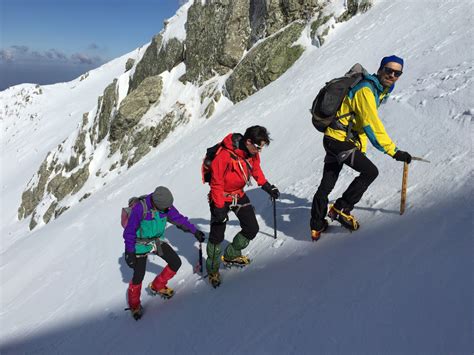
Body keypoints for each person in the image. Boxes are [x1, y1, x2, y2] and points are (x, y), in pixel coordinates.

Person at [310, 55, 412, 241]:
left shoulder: (377, 90)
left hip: (335, 139)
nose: (392, 75)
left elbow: (358, 125)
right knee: (370, 172)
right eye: (388, 70)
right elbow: (371, 125)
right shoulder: (366, 91)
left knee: (327, 184)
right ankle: (341, 208)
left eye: (397, 73)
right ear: (380, 69)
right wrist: (394, 151)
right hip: (339, 141)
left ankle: (316, 226)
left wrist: (360, 150)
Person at [206, 125, 280, 288]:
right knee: (216, 236)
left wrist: (267, 186)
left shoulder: (251, 154)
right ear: (248, 142)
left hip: (238, 194)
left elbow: (256, 171)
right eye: (258, 147)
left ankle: (231, 254)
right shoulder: (224, 155)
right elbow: (216, 183)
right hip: (221, 196)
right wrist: (219, 208)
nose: (259, 151)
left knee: (251, 228)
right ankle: (212, 270)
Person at [123, 186, 205, 319]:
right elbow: (129, 232)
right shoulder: (140, 209)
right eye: (166, 208)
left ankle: (157, 286)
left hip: (156, 241)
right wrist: (129, 252)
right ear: (156, 205)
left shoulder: (166, 206)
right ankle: (134, 305)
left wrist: (194, 231)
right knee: (138, 275)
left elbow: (178, 219)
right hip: (140, 244)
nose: (169, 209)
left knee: (175, 262)